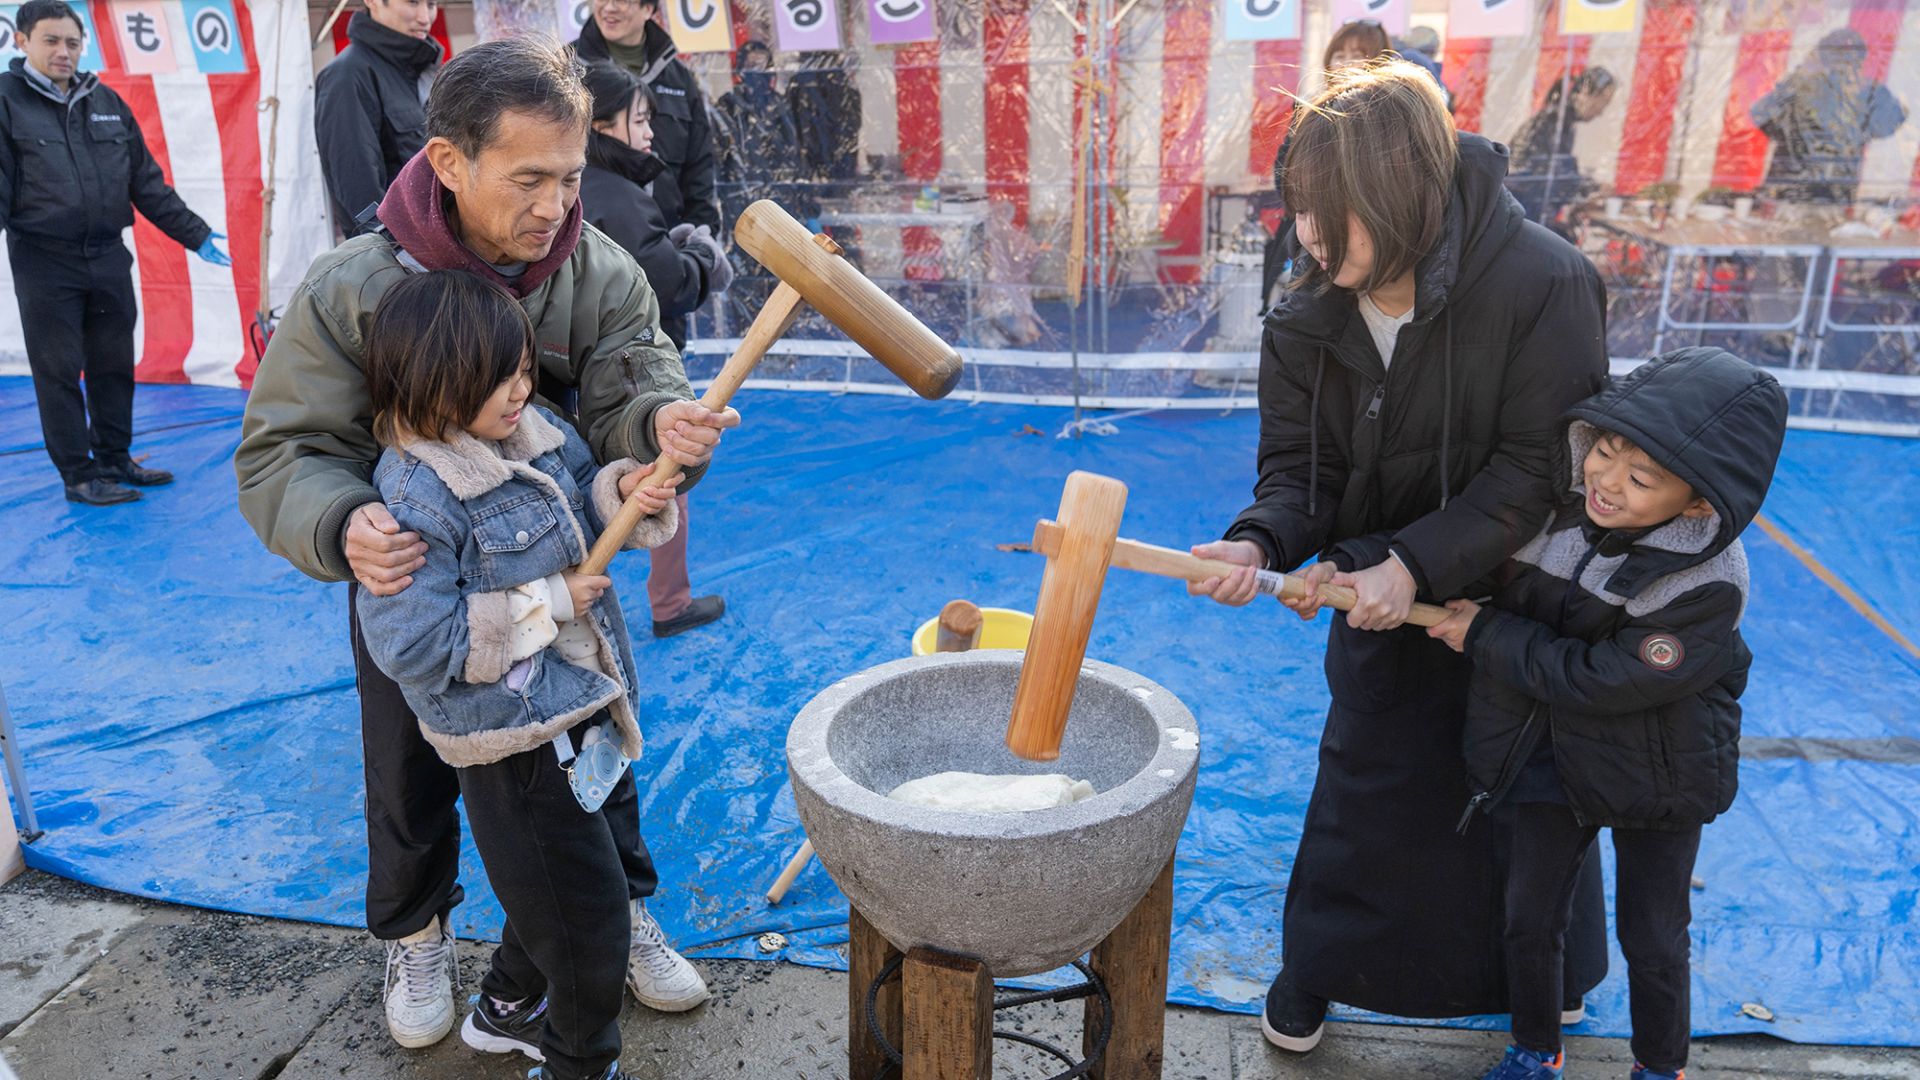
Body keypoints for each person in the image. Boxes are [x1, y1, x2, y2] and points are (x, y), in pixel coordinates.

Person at [235, 37, 735, 1051]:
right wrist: (342, 523)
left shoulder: (594, 268)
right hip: (414, 581)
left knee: (598, 733)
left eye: (570, 176)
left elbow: (637, 391)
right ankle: (415, 932)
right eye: (529, 179)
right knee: (409, 763)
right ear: (450, 162)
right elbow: (282, 452)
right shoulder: (351, 287)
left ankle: (617, 910)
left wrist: (655, 445)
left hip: (562, 577)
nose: (555, 205)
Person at [1189, 59, 1611, 1050]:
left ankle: (1550, 972)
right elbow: (1299, 468)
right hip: (1373, 590)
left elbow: (1539, 468)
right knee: (1368, 779)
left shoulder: (1545, 282)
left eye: (1331, 213)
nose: (1308, 237)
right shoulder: (1308, 305)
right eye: (1298, 210)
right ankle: (1323, 968)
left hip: (1515, 588)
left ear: (1406, 199)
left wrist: (1416, 566)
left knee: (1525, 787)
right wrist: (1260, 540)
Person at [358, 270, 682, 1080]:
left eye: (526, 370)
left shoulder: (536, 431)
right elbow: (413, 644)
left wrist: (627, 493)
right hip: (510, 743)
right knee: (589, 920)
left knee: (567, 887)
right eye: (501, 378)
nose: (523, 390)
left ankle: (505, 1009)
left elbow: (580, 503)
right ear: (433, 382)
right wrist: (546, 602)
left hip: (581, 704)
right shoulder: (415, 499)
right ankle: (578, 1061)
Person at [1431, 348, 1788, 1080]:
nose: (1605, 480)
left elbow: (1606, 677)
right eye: (1605, 449)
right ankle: (1535, 1049)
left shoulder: (1707, 583)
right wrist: (1374, 571)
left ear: (1697, 502)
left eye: (1640, 477)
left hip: (1656, 775)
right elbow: (1482, 568)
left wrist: (1486, 632)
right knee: (1529, 918)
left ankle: (1661, 1067)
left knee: (1653, 936)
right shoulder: (1555, 518)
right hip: (1550, 760)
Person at [0, 0, 230, 506]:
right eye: (51, 41)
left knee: (113, 363)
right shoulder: (5, 101)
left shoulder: (105, 101)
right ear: (21, 41)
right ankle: (79, 475)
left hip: (106, 256)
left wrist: (197, 234)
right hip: (44, 260)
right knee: (57, 370)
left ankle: (113, 457)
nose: (64, 52)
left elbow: (146, 184)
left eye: (73, 42)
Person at [580, 61, 732, 636]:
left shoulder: (600, 190)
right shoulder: (613, 195)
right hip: (625, 371)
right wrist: (697, 257)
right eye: (639, 120)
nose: (648, 133)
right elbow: (661, 278)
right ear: (600, 125)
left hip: (596, 371)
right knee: (671, 462)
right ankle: (667, 601)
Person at [573, 0, 719, 233]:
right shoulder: (568, 68)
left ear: (648, 9)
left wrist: (701, 233)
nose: (609, 8)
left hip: (667, 232)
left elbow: (698, 163)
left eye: (622, 1)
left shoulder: (678, 77)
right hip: (589, 233)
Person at [313, 0, 443, 236]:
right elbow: (359, 194)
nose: (425, 17)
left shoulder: (429, 72)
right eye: (413, 3)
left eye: (431, 4)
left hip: (444, 252)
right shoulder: (347, 75)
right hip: (403, 262)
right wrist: (400, 261)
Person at [1752, 28, 1907, 206]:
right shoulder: (1802, 89)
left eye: (1849, 61)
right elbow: (1761, 117)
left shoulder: (1869, 93)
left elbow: (1888, 124)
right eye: (1837, 59)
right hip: (1799, 193)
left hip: (1821, 193)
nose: (1841, 69)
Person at [1506, 68, 1617, 234]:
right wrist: (1591, 187)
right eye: (1603, 101)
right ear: (1586, 92)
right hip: (1523, 214)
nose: (1601, 111)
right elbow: (1548, 175)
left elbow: (1557, 171)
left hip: (1524, 212)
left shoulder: (1561, 121)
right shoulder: (1554, 122)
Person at [713, 41, 806, 234]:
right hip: (742, 205)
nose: (759, 72)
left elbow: (795, 153)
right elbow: (718, 158)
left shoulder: (781, 106)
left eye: (764, 65)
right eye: (753, 65)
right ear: (741, 69)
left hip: (781, 204)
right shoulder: (728, 106)